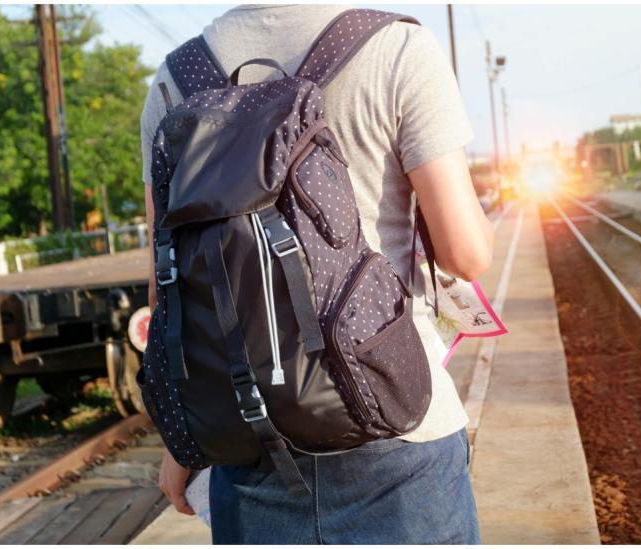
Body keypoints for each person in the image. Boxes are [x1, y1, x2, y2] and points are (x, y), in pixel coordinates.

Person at [139, 5, 493, 545]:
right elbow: (466, 255)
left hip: (249, 436)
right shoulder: (397, 47)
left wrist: (183, 439)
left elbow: (168, 290)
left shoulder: (173, 80)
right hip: (398, 430)